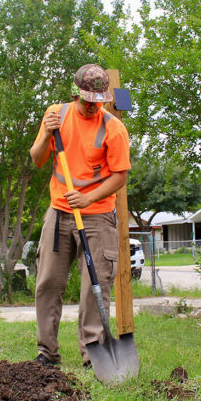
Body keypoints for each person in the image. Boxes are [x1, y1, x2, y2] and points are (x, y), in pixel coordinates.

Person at [29, 63, 130, 368]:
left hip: (98, 216)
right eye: (86, 100)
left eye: (97, 101)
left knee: (94, 287)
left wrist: (87, 197)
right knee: (47, 282)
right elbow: (37, 160)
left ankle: (93, 354)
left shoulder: (113, 128)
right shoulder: (56, 115)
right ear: (74, 93)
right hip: (59, 213)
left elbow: (119, 177)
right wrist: (46, 134)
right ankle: (47, 353)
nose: (91, 106)